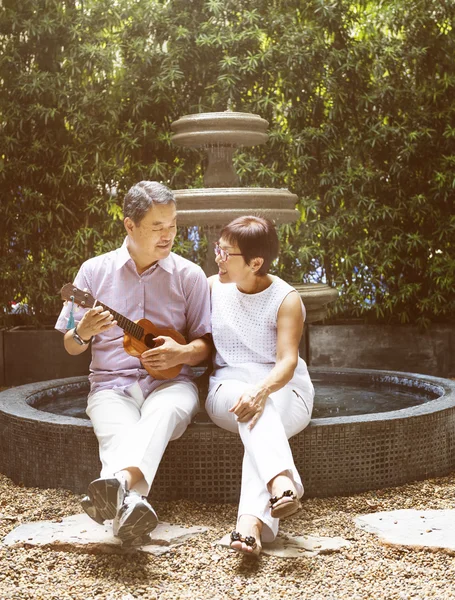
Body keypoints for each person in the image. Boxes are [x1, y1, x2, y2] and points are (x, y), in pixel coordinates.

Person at [55, 181, 211, 545]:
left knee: (165, 412)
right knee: (119, 433)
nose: (168, 234)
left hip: (172, 383)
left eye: (172, 224)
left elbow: (206, 345)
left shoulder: (189, 276)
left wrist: (182, 353)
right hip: (112, 386)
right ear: (130, 225)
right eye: (158, 227)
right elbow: (69, 344)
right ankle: (134, 503)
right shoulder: (94, 273)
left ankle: (119, 486)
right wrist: (83, 333)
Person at [205, 215, 314, 557]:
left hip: (285, 390)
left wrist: (261, 389)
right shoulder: (210, 287)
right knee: (252, 409)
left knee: (258, 411)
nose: (218, 258)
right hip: (228, 386)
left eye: (227, 254)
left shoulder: (286, 298)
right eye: (218, 250)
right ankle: (281, 481)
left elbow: (287, 362)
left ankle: (250, 525)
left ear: (255, 263)